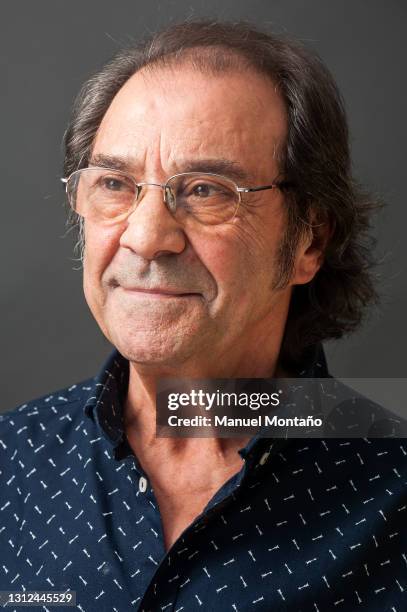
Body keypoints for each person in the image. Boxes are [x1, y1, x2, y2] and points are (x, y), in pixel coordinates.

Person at [0, 20, 405, 612]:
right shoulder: (11, 464)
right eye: (114, 183)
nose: (145, 237)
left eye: (207, 191)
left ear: (309, 243)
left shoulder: (392, 498)